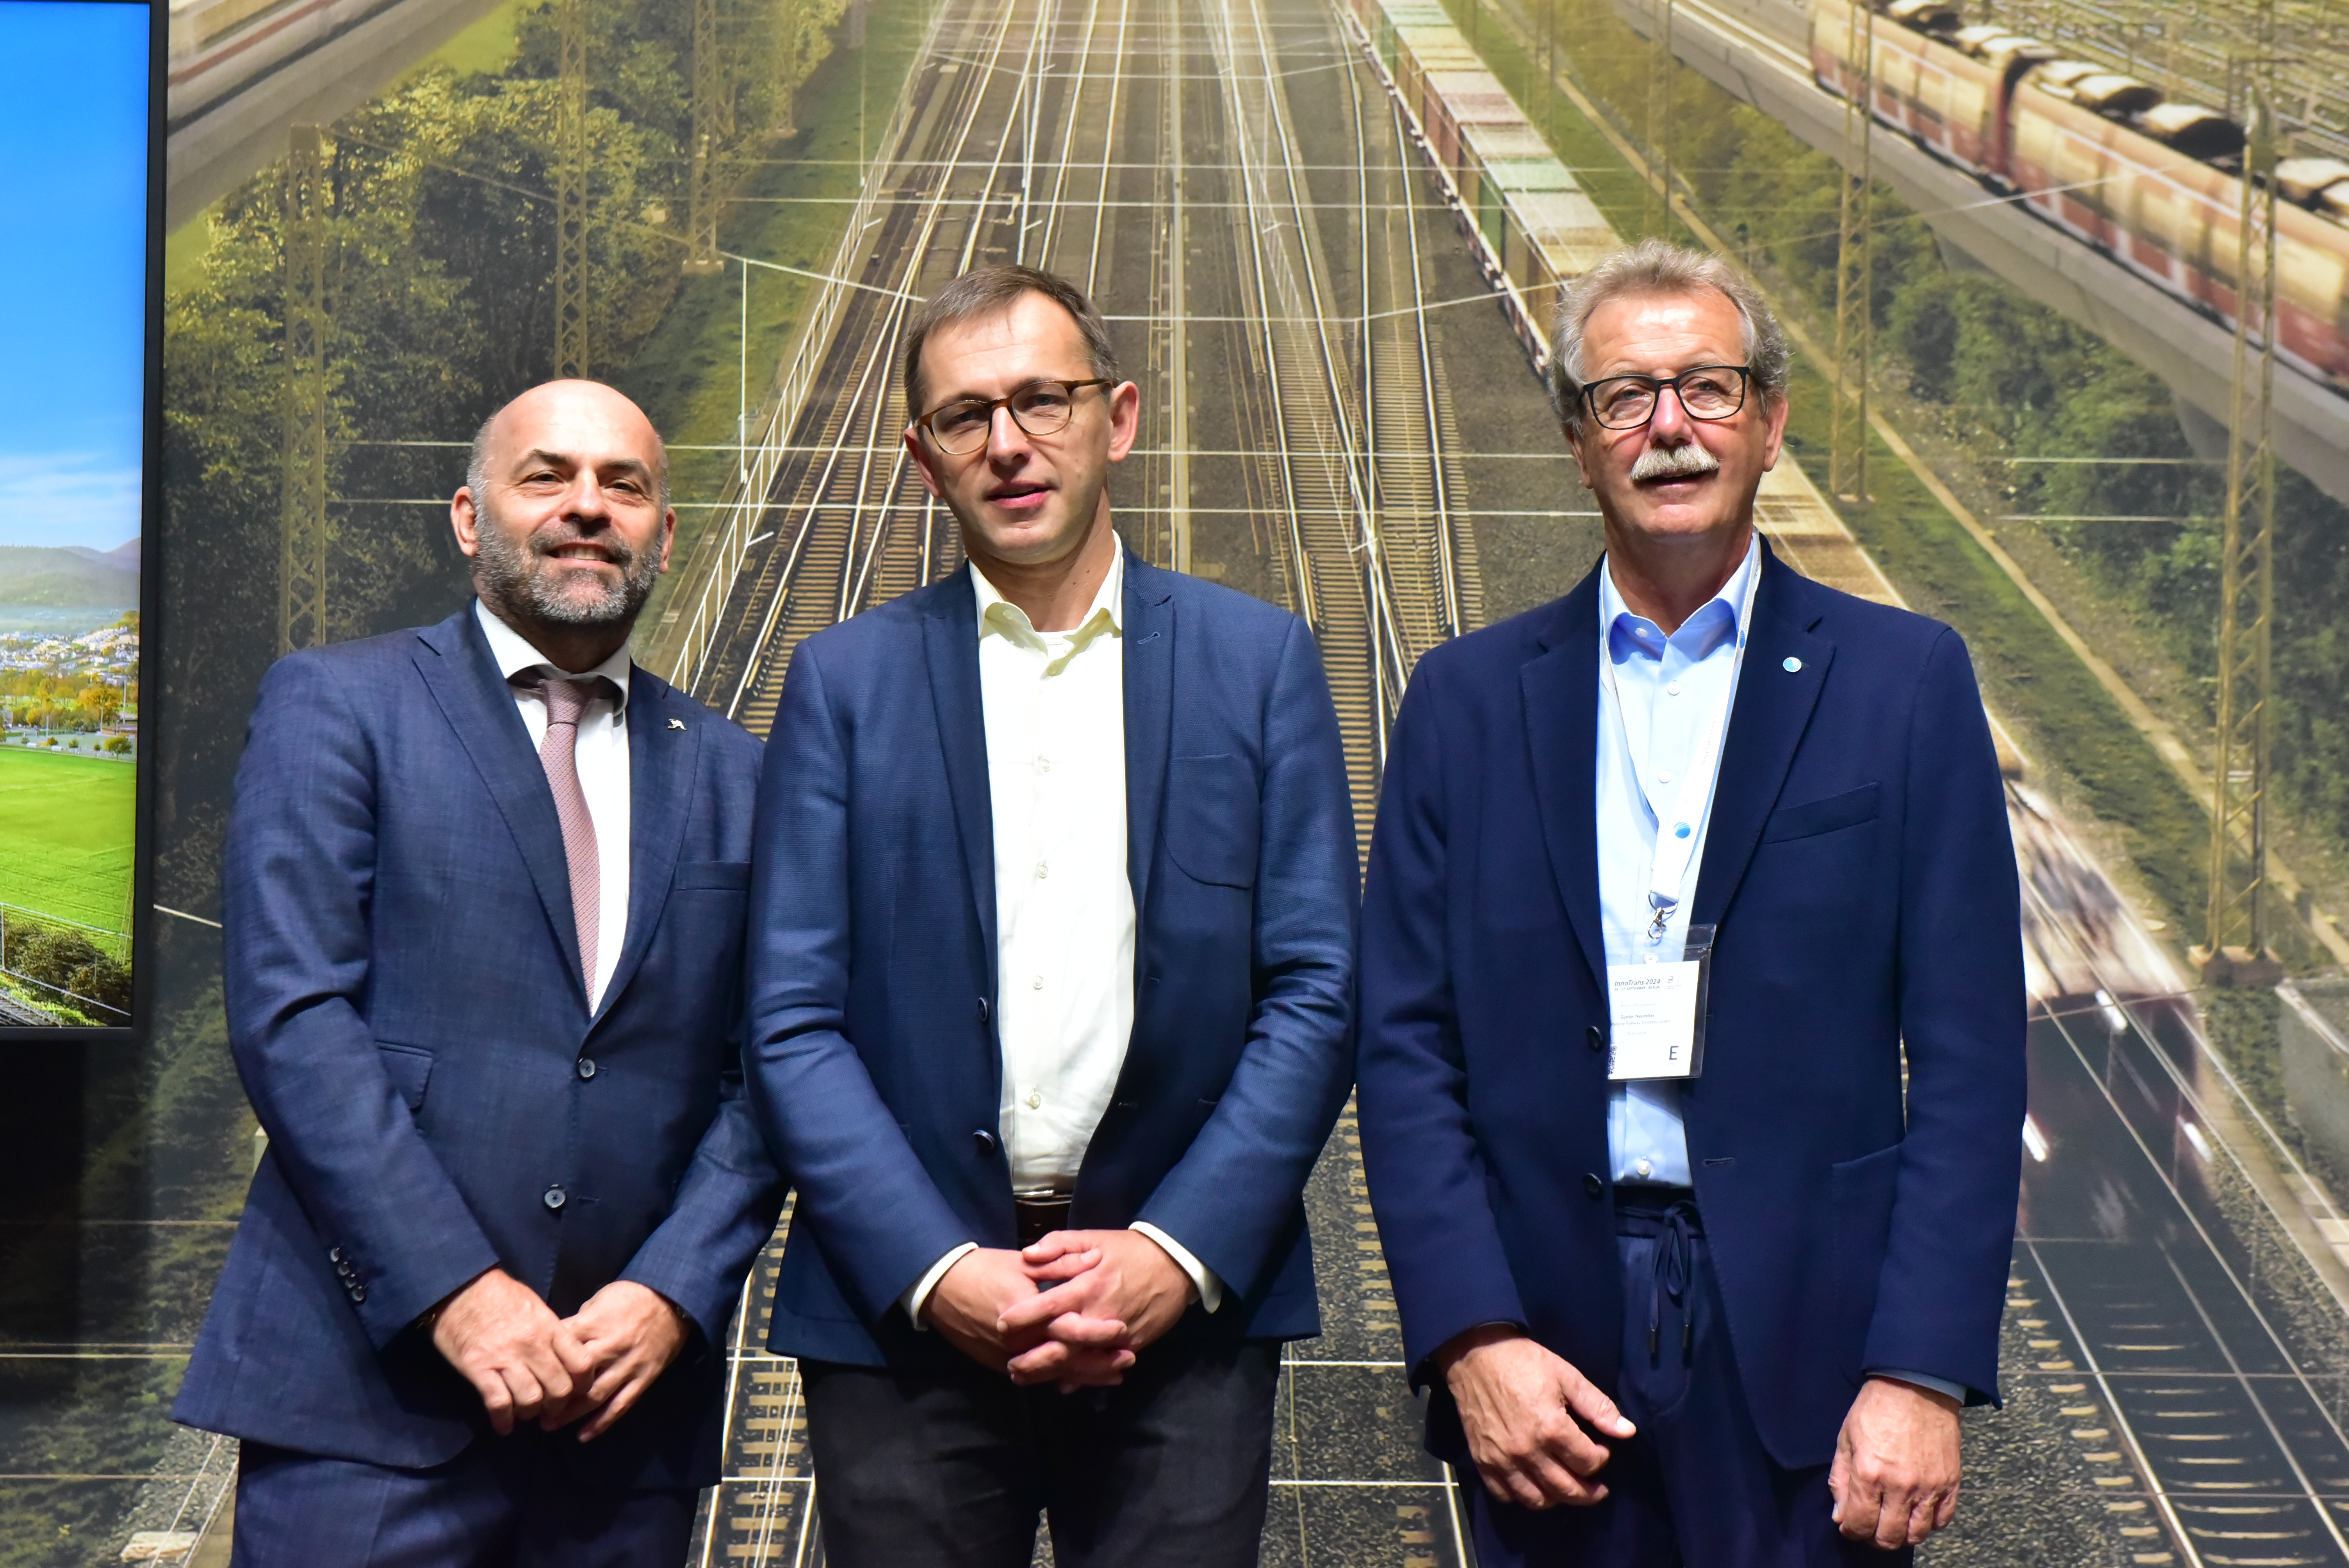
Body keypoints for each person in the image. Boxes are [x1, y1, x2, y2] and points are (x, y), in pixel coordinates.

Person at [1354, 240, 2026, 1566]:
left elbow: (1970, 1058)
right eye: (1626, 397)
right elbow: (1406, 1047)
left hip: (1816, 1357)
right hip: (1549, 1359)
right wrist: (1473, 1339)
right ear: (1578, 442)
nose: (1670, 426)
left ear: (1770, 423)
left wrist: (1923, 1370)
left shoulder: (1903, 683)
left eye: (1708, 387)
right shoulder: (1464, 702)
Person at [741, 264, 1357, 1567]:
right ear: (924, 458)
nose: (1009, 443)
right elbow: (790, 1019)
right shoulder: (842, 686)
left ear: (1117, 418)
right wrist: (937, 1269)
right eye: (966, 416)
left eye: (1042, 400)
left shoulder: (1260, 665)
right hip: (907, 1327)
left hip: (1180, 1320)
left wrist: (1174, 1252)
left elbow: (1315, 990)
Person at [175, 380, 782, 1564]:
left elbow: (770, 1069)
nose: (587, 507)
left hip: (622, 1427)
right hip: (366, 1405)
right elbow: (295, 1020)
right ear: (468, 517)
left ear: (666, 533)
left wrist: (672, 1291)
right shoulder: (338, 703)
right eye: (546, 476)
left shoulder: (736, 772)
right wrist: (458, 1293)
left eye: (624, 486)